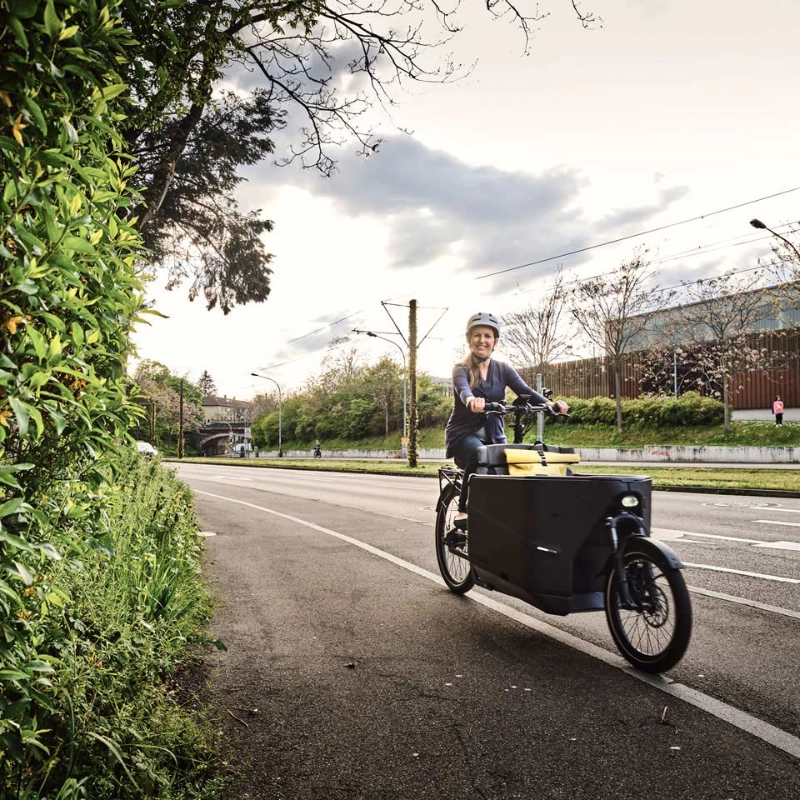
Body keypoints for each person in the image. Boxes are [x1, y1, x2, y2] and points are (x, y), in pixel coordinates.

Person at [444, 312, 569, 528]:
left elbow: (525, 390)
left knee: (514, 467)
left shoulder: (503, 369)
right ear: (469, 339)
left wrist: (550, 405)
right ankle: (463, 510)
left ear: (495, 341)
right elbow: (463, 390)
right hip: (464, 435)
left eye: (487, 336)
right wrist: (472, 399)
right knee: (479, 454)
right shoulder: (460, 369)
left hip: (495, 434)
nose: (482, 340)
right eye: (477, 335)